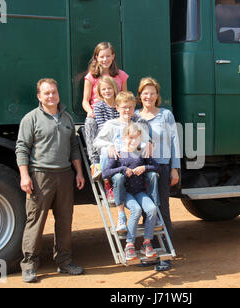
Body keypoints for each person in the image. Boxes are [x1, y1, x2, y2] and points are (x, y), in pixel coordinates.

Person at [16, 78, 85, 283]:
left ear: (58, 94)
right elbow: (22, 148)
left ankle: (64, 262)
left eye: (54, 92)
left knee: (65, 221)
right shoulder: (31, 119)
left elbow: (74, 147)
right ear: (39, 96)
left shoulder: (67, 118)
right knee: (35, 222)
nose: (51, 96)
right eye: (46, 93)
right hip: (39, 176)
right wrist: (25, 175)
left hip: (65, 175)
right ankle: (29, 265)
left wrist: (79, 172)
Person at [135, 77, 181, 271]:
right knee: (147, 210)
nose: (149, 96)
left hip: (161, 168)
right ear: (140, 95)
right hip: (141, 169)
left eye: (152, 93)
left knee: (162, 210)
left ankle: (166, 255)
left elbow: (174, 142)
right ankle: (151, 253)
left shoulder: (166, 115)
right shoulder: (135, 116)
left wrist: (174, 168)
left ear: (157, 96)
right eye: (145, 93)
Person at [94, 91, 156, 233]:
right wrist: (109, 145)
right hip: (117, 164)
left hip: (133, 163)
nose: (127, 110)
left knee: (146, 149)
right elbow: (97, 141)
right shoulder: (111, 124)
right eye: (124, 107)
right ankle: (108, 184)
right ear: (117, 108)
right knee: (105, 150)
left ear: (134, 108)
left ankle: (152, 212)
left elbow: (147, 140)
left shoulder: (137, 126)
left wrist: (149, 144)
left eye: (130, 107)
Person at [102, 123, 159, 261]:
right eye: (130, 138)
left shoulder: (142, 153)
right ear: (123, 138)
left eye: (136, 138)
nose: (133, 141)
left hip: (139, 192)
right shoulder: (118, 154)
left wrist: (144, 167)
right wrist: (122, 169)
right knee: (136, 210)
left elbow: (157, 167)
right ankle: (130, 244)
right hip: (125, 193)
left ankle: (146, 242)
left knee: (151, 209)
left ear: (140, 139)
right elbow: (105, 173)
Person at [82, 42, 129, 179]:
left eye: (108, 56)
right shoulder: (91, 77)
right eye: (101, 56)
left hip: (115, 112)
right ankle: (95, 164)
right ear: (96, 57)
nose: (105, 59)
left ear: (113, 56)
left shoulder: (121, 75)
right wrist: (90, 111)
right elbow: (85, 101)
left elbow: (124, 97)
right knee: (90, 122)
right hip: (98, 113)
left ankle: (124, 161)